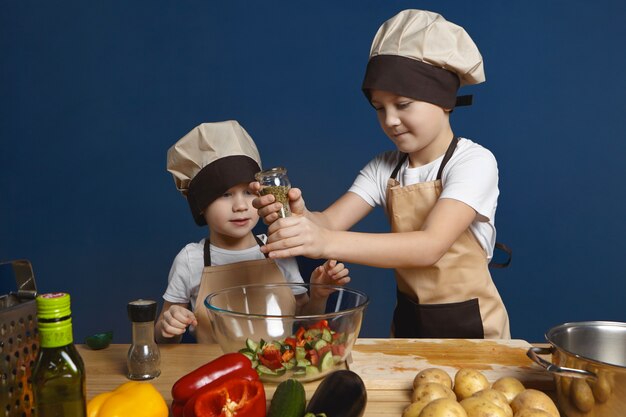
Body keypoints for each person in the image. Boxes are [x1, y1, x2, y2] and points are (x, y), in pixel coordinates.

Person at [252, 10, 510, 339]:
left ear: (445, 101)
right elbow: (329, 223)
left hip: (474, 331)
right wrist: (300, 218)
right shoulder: (385, 167)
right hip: (409, 325)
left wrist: (325, 240)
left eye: (403, 104)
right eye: (379, 107)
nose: (390, 120)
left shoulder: (474, 162)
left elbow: (429, 246)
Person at [156, 121, 350, 343]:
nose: (240, 206)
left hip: (277, 369)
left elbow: (304, 325)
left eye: (249, 192)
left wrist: (318, 295)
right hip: (215, 372)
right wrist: (168, 325)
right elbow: (161, 339)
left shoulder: (278, 249)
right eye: (225, 194)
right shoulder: (190, 260)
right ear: (201, 204)